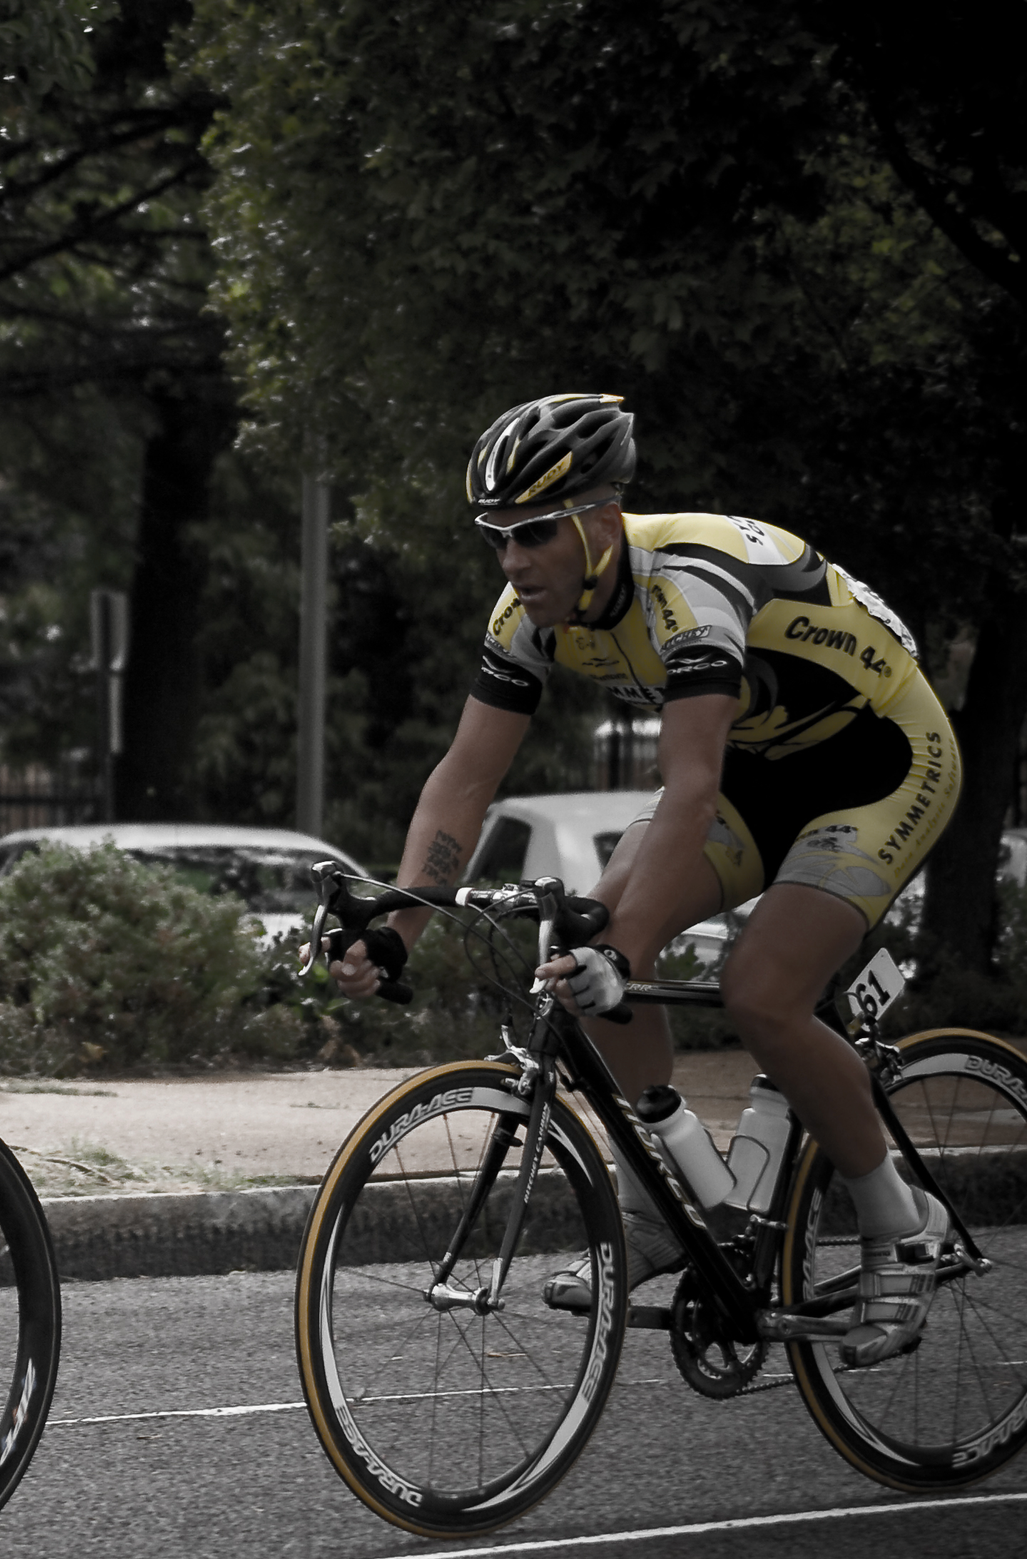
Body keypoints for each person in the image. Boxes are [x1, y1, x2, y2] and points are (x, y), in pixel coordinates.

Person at [331, 393, 959, 1368]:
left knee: (759, 989)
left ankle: (901, 1219)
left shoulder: (687, 587)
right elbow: (466, 775)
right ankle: (662, 1203)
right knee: (584, 943)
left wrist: (622, 953)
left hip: (878, 757)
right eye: (495, 537)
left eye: (531, 532)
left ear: (596, 518)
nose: (511, 560)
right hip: (759, 764)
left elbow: (690, 785)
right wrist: (396, 924)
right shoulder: (527, 616)